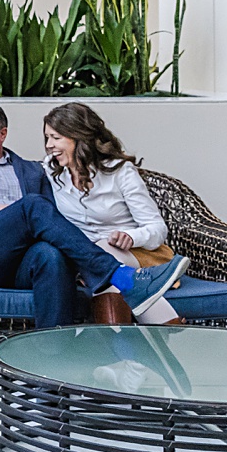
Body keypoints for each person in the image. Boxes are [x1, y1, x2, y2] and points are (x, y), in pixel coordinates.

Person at [0, 100, 189, 328]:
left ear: (2, 133)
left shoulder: (36, 170)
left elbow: (51, 220)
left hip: (21, 262)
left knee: (50, 256)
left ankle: (54, 356)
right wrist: (11, 215)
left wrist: (24, 216)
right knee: (32, 206)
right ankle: (123, 277)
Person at [43, 102, 182, 325]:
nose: (49, 145)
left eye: (56, 138)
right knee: (99, 260)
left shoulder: (120, 171)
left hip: (132, 253)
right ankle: (171, 333)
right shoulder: (53, 170)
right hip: (83, 257)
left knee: (105, 256)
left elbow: (157, 229)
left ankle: (117, 350)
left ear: (79, 138)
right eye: (47, 138)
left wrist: (130, 236)